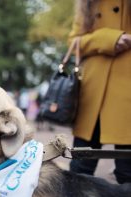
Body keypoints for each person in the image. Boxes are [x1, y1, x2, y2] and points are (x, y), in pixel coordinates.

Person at [69, 0, 131, 184]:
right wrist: (106, 38)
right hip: (92, 96)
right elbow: (73, 41)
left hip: (127, 96)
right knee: (80, 172)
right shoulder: (88, 3)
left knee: (127, 174)